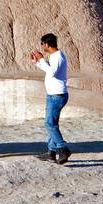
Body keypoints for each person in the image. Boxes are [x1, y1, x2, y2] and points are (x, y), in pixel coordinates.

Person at [29, 32, 71, 164]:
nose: (42, 47)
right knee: (53, 124)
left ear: (46, 44)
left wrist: (41, 59)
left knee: (49, 124)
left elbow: (52, 72)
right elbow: (50, 70)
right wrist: (38, 63)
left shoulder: (58, 56)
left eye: (42, 44)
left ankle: (63, 148)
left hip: (57, 96)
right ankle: (51, 152)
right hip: (53, 95)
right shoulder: (54, 56)